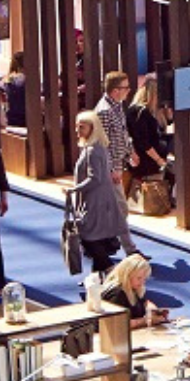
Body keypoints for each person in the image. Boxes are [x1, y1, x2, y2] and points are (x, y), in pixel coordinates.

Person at [93, 71, 143, 257]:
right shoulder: (104, 111)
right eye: (125, 88)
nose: (129, 91)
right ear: (115, 91)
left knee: (114, 209)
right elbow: (102, 144)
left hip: (117, 165)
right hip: (109, 169)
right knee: (120, 208)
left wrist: (130, 151)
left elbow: (122, 134)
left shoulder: (117, 106)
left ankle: (109, 244)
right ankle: (129, 249)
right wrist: (112, 169)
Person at [71, 110, 124, 277]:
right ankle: (97, 277)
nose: (78, 131)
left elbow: (95, 178)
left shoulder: (94, 150)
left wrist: (74, 189)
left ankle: (111, 270)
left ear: (93, 128)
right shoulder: (94, 148)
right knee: (97, 238)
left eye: (82, 127)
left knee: (88, 238)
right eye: (77, 127)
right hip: (98, 201)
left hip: (96, 203)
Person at [102, 255, 167, 329]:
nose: (142, 282)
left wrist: (152, 309)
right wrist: (146, 321)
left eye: (144, 279)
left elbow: (144, 302)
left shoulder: (132, 288)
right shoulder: (117, 293)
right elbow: (117, 325)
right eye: (139, 278)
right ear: (127, 275)